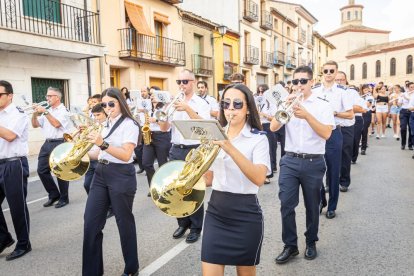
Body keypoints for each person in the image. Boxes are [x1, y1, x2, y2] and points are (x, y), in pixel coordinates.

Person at [202, 83, 270, 276]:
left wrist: (229, 147)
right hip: (216, 211)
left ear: (248, 109)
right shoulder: (214, 134)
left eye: (238, 104)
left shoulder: (258, 139)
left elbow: (258, 177)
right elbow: (210, 178)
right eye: (226, 103)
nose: (231, 108)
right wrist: (189, 180)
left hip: (246, 214)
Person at [270, 66, 334, 264]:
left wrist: (307, 115)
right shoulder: (287, 102)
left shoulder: (322, 105)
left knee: (312, 206)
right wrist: (284, 107)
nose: (298, 85)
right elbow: (273, 127)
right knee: (286, 205)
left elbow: (326, 133)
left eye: (302, 81)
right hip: (289, 160)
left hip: (314, 161)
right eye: (295, 82)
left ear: (311, 82)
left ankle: (311, 241)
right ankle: (290, 245)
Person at [83, 87, 140, 276]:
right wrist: (78, 153)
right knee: (91, 223)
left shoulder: (129, 124)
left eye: (111, 104)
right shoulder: (104, 124)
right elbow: (97, 153)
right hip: (100, 173)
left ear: (121, 102)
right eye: (104, 104)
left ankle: (131, 268)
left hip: (121, 174)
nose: (107, 108)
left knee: (124, 223)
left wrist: (102, 144)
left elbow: (125, 155)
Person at [169, 69, 210, 243]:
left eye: (185, 81)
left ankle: (195, 226)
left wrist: (187, 108)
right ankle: (182, 222)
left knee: (192, 190)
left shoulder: (200, 103)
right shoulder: (174, 101)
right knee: (176, 189)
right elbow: (164, 128)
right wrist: (161, 118)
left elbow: (205, 126)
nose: (181, 85)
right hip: (175, 148)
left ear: (193, 82)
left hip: (193, 149)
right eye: (179, 82)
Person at [313, 61, 353, 219]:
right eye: (326, 71)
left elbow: (350, 114)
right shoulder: (315, 90)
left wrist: (334, 113)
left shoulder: (343, 91)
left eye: (332, 71)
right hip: (316, 133)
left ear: (336, 73)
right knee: (316, 170)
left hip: (334, 132)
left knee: (334, 171)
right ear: (322, 72)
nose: (328, 73)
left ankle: (332, 206)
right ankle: (321, 200)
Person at [0, 80, 31, 261]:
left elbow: (10, 136)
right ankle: (4, 238)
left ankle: (24, 243)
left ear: (9, 96)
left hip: (14, 164)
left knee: (17, 206)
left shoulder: (18, 114)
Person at [31, 87, 71, 208]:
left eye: (49, 96)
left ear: (57, 97)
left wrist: (45, 112)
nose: (47, 98)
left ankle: (64, 198)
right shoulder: (47, 110)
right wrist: (34, 114)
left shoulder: (64, 110)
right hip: (47, 143)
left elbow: (56, 124)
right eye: (46, 96)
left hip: (60, 142)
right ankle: (54, 194)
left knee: (61, 171)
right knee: (41, 170)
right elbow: (35, 125)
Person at [335, 71, 365, 192]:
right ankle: (329, 182)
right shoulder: (329, 92)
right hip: (332, 127)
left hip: (346, 127)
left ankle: (344, 182)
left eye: (341, 80)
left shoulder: (351, 92)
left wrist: (344, 106)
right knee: (329, 155)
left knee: (345, 154)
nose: (339, 82)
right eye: (337, 80)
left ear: (346, 81)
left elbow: (361, 108)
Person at [141, 93, 171, 196]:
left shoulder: (165, 107)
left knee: (162, 164)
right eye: (151, 95)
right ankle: (154, 187)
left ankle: (164, 188)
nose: (152, 96)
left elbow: (166, 125)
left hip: (162, 136)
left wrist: (156, 120)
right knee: (146, 163)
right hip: (149, 135)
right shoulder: (147, 108)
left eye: (154, 94)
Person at [83, 104, 107, 194]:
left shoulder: (107, 127)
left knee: (98, 187)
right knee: (87, 185)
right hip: (90, 160)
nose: (96, 118)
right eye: (94, 115)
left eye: (98, 115)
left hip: (99, 160)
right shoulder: (95, 125)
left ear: (105, 113)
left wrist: (83, 154)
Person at [255, 84, 276, 184]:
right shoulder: (255, 101)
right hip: (257, 126)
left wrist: (264, 115)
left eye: (262, 91)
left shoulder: (270, 102)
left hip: (267, 126)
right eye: (259, 91)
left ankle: (268, 175)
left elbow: (275, 118)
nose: (260, 94)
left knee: (269, 150)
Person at [398, 82, 414, 150]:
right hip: (404, 111)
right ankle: (403, 144)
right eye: (411, 87)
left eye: (413, 87)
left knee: (411, 129)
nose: (412, 88)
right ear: (407, 87)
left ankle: (410, 144)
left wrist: (407, 97)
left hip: (412, 112)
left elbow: (410, 99)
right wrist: (399, 101)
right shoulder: (403, 94)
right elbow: (399, 104)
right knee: (403, 128)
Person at [360, 84, 374, 156]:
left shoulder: (370, 97)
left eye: (367, 90)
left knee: (364, 130)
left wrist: (361, 101)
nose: (366, 91)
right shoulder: (360, 96)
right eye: (364, 90)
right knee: (358, 131)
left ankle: (363, 148)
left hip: (366, 113)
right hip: (359, 114)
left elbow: (367, 105)